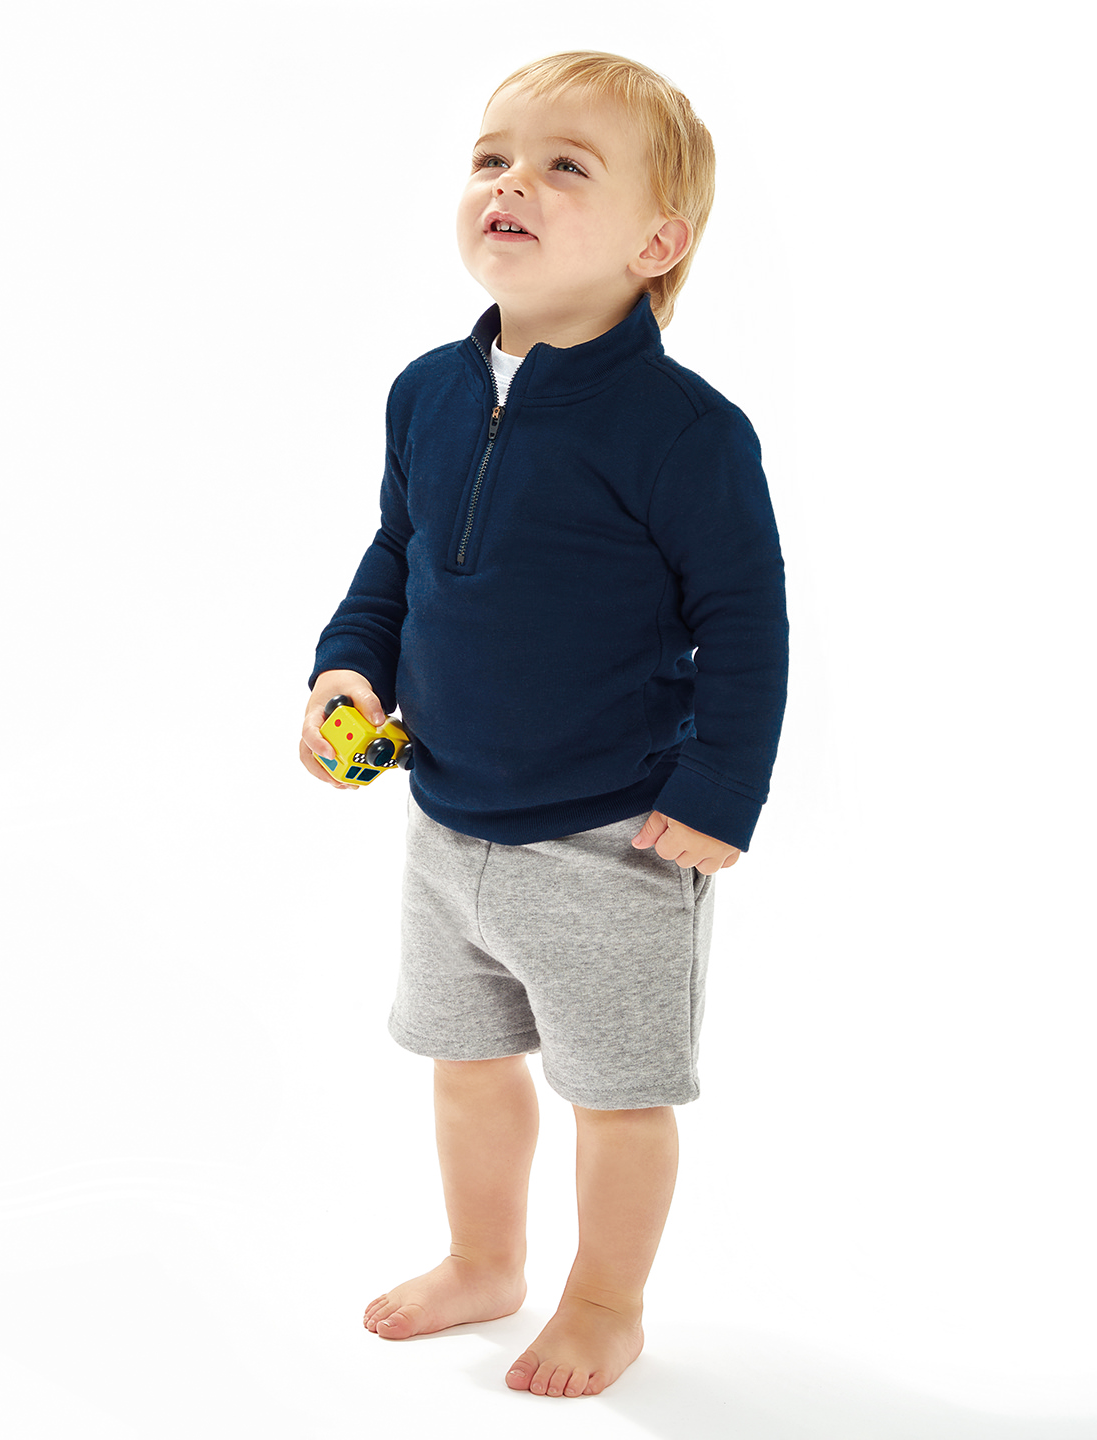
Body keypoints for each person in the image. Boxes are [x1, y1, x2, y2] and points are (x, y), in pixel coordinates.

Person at [301, 50, 788, 1399]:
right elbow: (398, 555)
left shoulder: (687, 432)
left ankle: (606, 1301)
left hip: (612, 834)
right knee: (463, 1062)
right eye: (491, 157)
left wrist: (720, 792)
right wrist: (346, 671)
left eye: (564, 164)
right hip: (445, 817)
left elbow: (746, 620)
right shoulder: (428, 391)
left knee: (617, 1092)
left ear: (655, 243)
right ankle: (485, 1259)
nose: (509, 181)